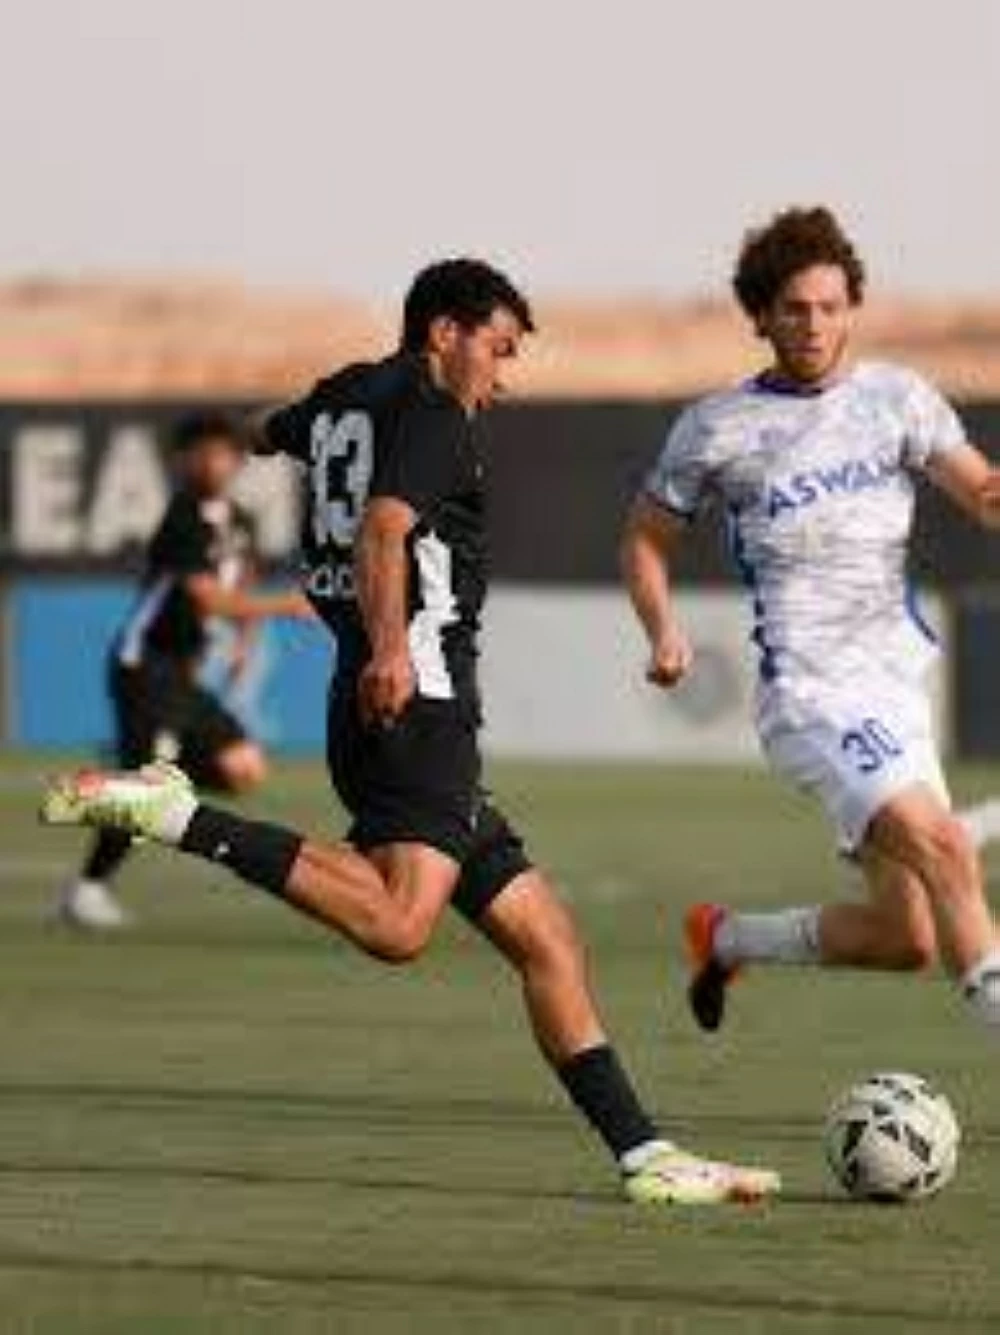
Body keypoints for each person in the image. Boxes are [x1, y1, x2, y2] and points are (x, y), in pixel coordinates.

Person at [41, 258, 779, 1205]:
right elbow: (384, 529)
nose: (501, 379)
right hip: (414, 698)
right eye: (497, 350)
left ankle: (646, 1156)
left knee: (546, 937)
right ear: (444, 333)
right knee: (397, 924)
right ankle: (176, 814)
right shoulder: (434, 415)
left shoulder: (347, 391)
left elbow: (268, 431)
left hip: (389, 698)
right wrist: (392, 646)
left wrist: (288, 440)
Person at [620, 205, 1000, 1035]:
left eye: (831, 306)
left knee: (906, 938)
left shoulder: (898, 399)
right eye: (795, 308)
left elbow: (983, 492)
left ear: (851, 309)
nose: (815, 324)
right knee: (946, 847)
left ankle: (726, 938)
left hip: (896, 688)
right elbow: (644, 540)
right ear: (761, 316)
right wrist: (662, 630)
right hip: (812, 696)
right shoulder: (718, 427)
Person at [55, 412, 311, 929]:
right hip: (145, 666)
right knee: (150, 790)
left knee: (242, 768)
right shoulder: (182, 521)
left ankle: (125, 777)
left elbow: (241, 585)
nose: (217, 462)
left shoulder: (240, 521)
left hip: (182, 674)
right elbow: (207, 598)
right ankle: (87, 891)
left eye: (225, 452)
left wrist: (245, 644)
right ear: (184, 460)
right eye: (205, 452)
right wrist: (286, 606)